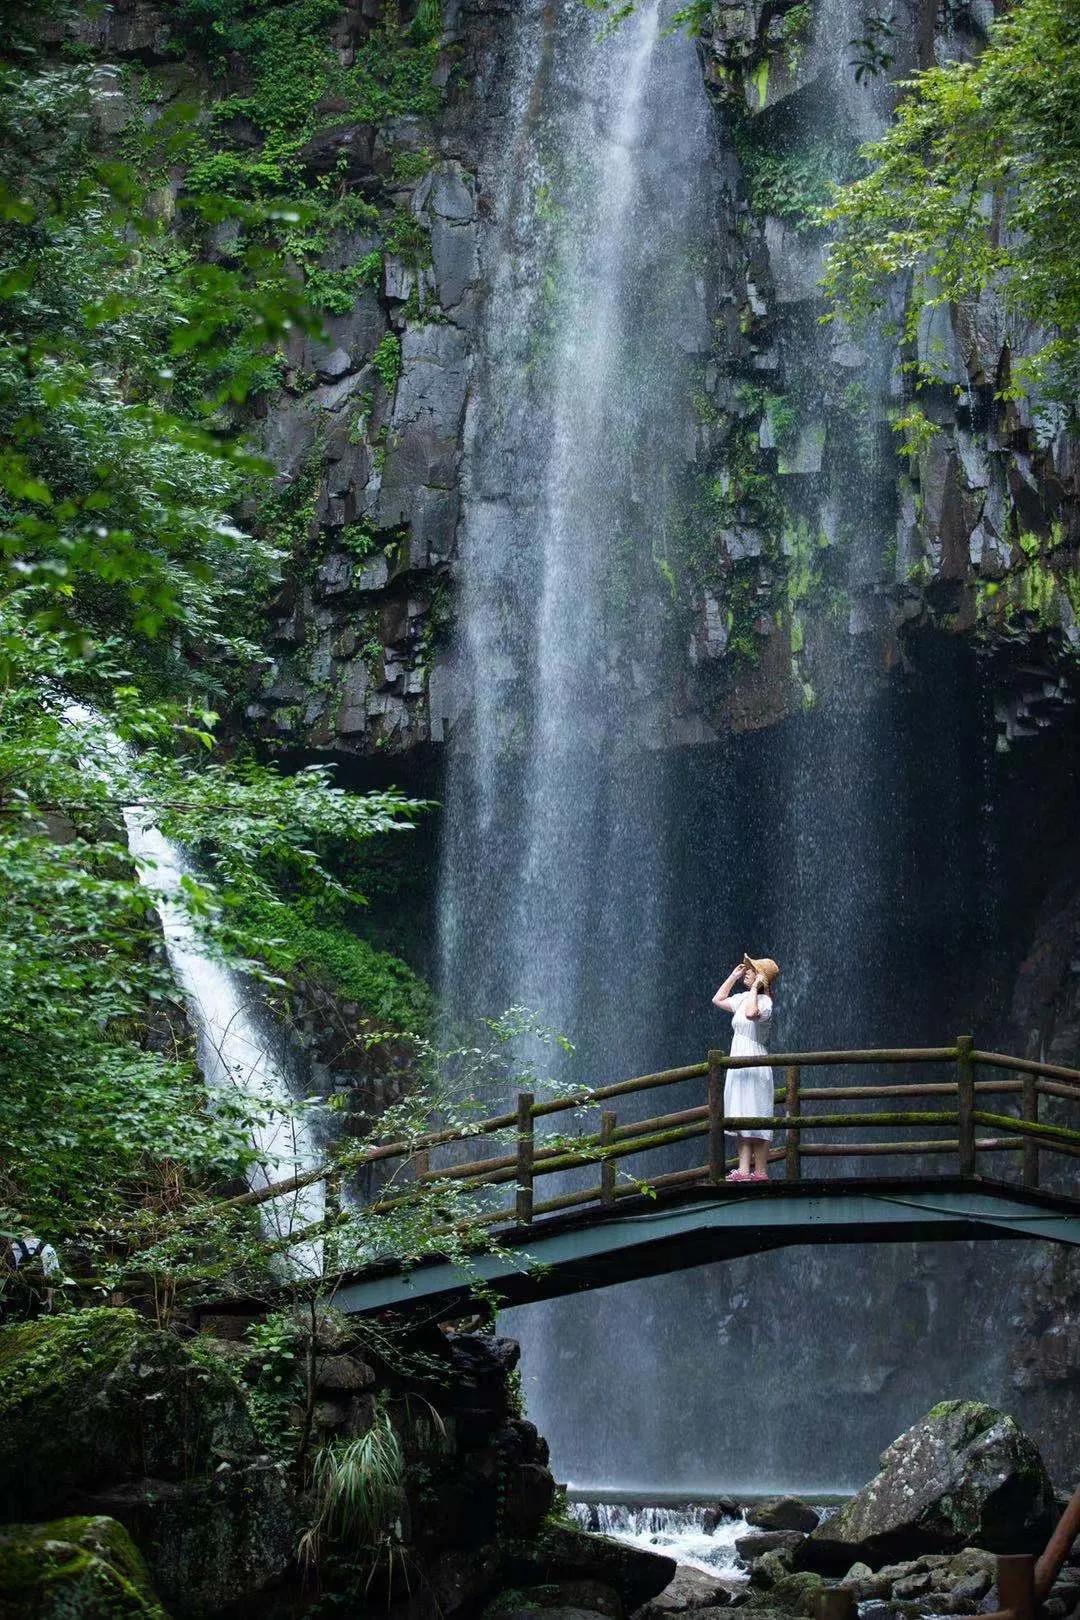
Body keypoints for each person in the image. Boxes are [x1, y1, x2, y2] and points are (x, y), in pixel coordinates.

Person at [711, 954, 781, 1182]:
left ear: (762, 978)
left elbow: (751, 1014)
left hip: (755, 1061)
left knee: (757, 1112)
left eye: (752, 970)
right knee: (741, 1112)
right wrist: (734, 976)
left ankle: (760, 1172)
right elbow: (718, 999)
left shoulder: (765, 1003)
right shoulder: (741, 998)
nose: (747, 972)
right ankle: (743, 1169)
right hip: (738, 1061)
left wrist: (757, 989)